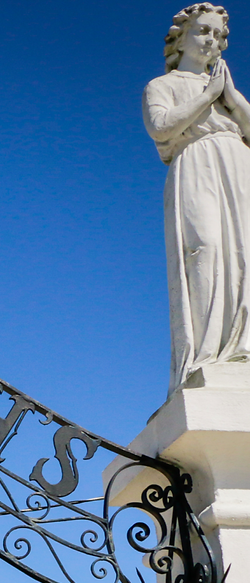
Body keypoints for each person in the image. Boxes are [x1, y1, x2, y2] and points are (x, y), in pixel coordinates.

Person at [143, 4, 250, 388]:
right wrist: (208, 96)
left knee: (243, 254)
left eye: (218, 35)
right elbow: (161, 127)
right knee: (203, 248)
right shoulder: (162, 85)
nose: (212, 41)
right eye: (203, 31)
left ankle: (242, 349)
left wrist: (230, 97)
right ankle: (204, 356)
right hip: (196, 161)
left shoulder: (227, 91)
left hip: (238, 163)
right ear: (181, 38)